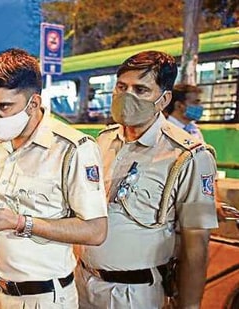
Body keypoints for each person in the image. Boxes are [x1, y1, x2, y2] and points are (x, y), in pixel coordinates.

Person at [0, 48, 108, 309]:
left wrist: (19, 223)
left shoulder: (72, 148)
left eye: (4, 106)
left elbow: (96, 231)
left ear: (34, 103)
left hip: (43, 298)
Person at [76, 51, 218, 309]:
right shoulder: (103, 141)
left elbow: (196, 243)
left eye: (141, 90)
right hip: (83, 284)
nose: (127, 96)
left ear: (163, 99)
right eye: (122, 87)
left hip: (135, 294)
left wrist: (190, 305)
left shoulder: (188, 156)